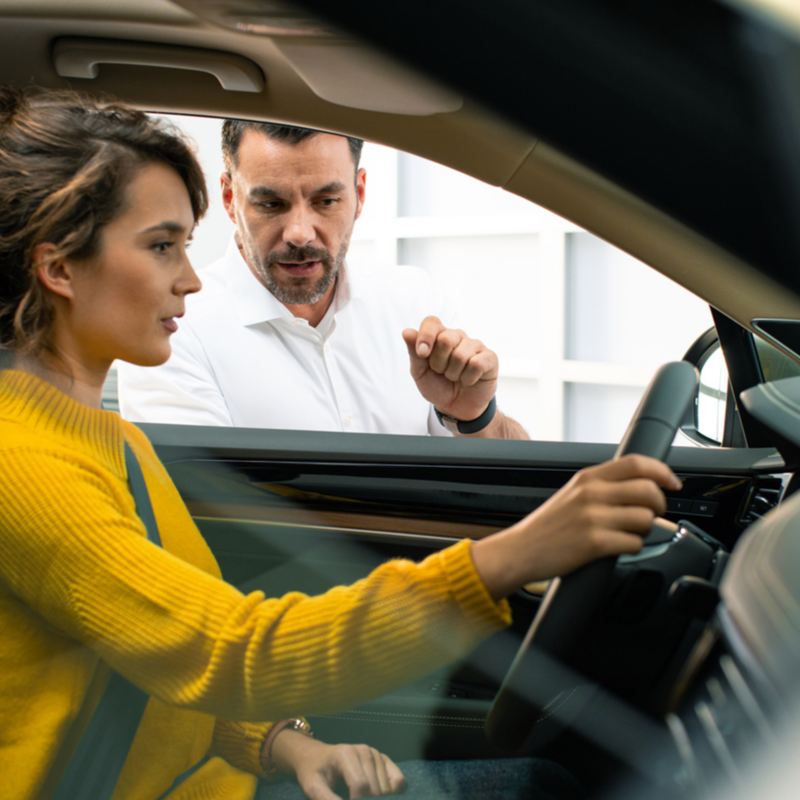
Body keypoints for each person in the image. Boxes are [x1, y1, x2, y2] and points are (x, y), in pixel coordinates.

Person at [0, 86, 680, 800]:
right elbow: (233, 651)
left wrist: (278, 744)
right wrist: (515, 555)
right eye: (163, 246)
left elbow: (157, 661)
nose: (193, 278)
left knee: (544, 781)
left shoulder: (111, 441)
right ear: (59, 269)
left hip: (215, 776)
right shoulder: (23, 465)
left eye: (183, 245)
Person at [116, 120, 528, 440]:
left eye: (326, 201)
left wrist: (476, 417)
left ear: (359, 194)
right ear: (229, 198)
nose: (300, 232)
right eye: (271, 203)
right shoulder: (173, 334)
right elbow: (200, 518)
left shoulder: (413, 299)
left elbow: (515, 490)